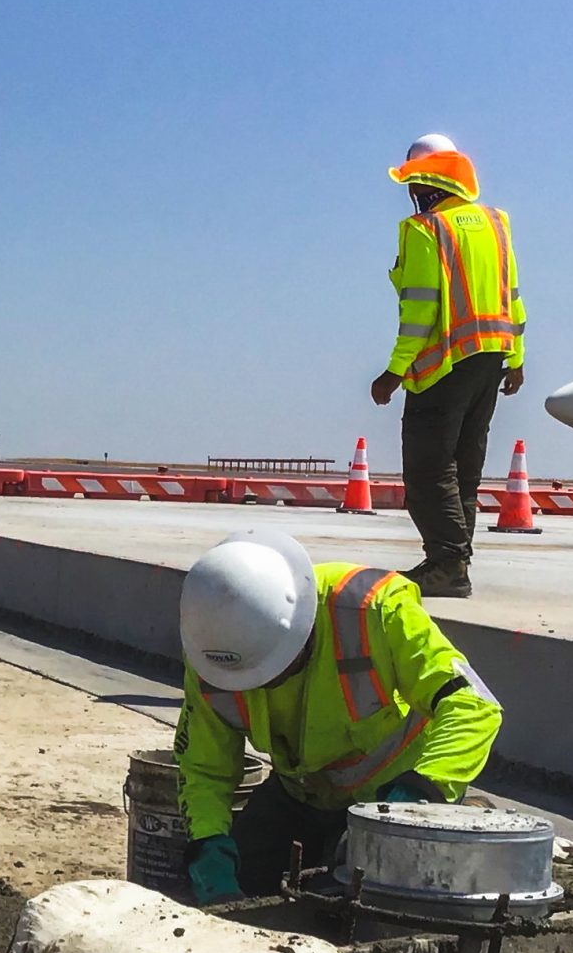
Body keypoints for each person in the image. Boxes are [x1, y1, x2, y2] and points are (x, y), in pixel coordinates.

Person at [171, 530, 501, 902]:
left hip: (395, 802)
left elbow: (473, 706)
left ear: (303, 625)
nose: (263, 684)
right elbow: (203, 767)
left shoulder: (374, 610)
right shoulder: (216, 655)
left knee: (373, 912)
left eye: (276, 669)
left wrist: (416, 797)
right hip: (300, 795)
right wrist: (208, 844)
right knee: (240, 889)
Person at [368, 133, 526, 599]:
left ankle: (449, 563)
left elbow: (421, 308)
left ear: (425, 182)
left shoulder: (424, 229)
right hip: (492, 361)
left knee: (429, 470)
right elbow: (511, 295)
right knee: (465, 468)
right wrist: (516, 358)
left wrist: (395, 371)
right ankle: (452, 561)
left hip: (444, 367)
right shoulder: (497, 223)